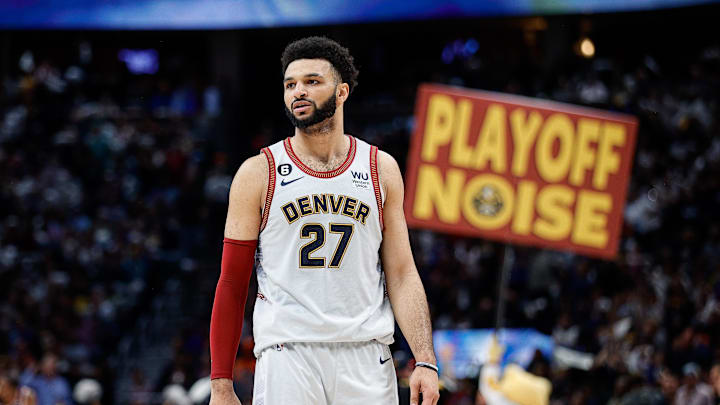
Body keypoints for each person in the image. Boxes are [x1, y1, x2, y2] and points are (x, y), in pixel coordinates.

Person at [208, 36, 440, 405]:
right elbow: (233, 280)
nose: (298, 91)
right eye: (290, 84)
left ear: (342, 91)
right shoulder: (258, 173)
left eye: (312, 81)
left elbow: (401, 273)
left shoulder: (381, 168)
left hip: (367, 354)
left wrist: (425, 359)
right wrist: (221, 383)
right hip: (289, 353)